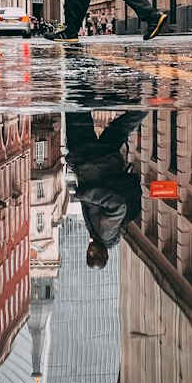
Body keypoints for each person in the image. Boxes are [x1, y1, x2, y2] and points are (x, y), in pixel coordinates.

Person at [65, 110, 146, 268]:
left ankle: (146, 104)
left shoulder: (99, 234)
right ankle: (148, 103)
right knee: (76, 113)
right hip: (91, 162)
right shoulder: (106, 233)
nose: (91, 251)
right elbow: (118, 206)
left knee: (119, 129)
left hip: (101, 163)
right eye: (96, 255)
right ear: (105, 254)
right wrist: (85, 195)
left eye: (89, 255)